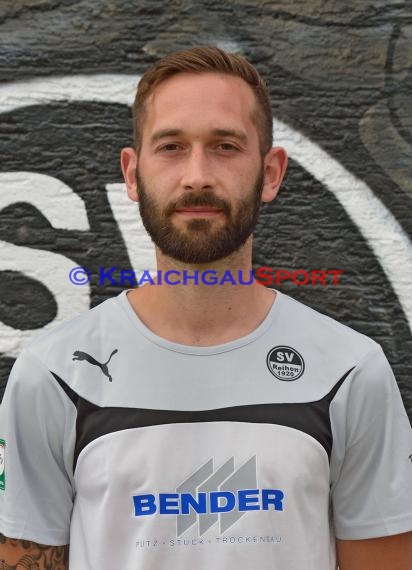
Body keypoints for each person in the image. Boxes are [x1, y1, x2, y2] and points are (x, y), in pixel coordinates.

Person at [0, 46, 411, 570]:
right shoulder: (54, 375)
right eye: (171, 146)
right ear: (132, 173)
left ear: (270, 173)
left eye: (225, 146)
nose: (197, 175)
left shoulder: (350, 371)